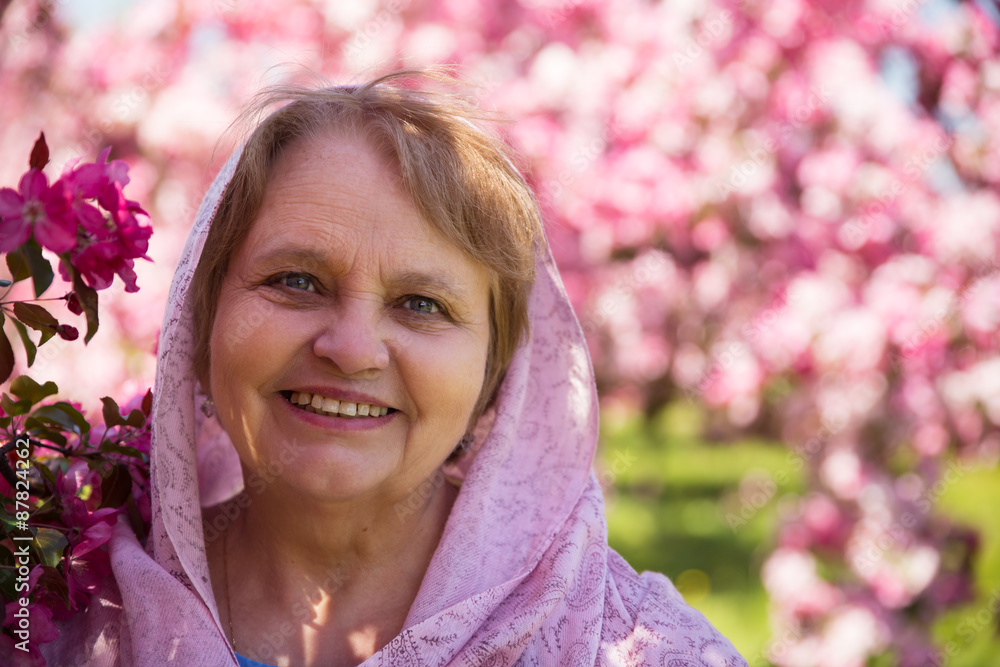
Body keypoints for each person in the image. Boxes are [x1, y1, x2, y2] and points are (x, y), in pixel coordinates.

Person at [45, 70, 747, 666]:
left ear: (493, 382)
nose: (352, 348)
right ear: (200, 325)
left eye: (422, 303)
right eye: (296, 280)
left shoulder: (626, 643)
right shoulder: (58, 610)